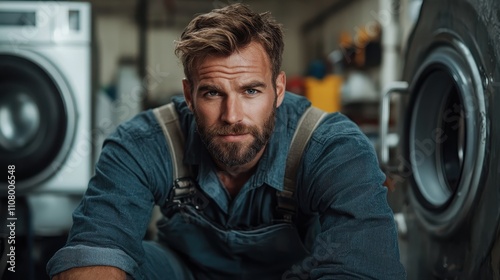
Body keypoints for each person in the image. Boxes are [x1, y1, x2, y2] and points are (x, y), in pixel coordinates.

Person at [47, 3, 406, 280]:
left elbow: (366, 268)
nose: (232, 115)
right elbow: (94, 250)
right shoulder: (144, 142)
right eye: (212, 93)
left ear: (278, 89)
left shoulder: (331, 147)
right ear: (189, 95)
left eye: (251, 90)